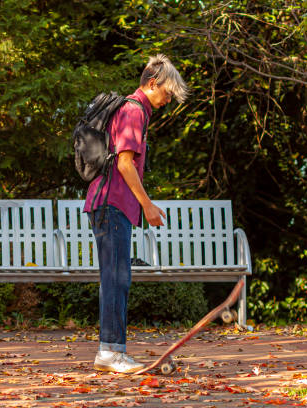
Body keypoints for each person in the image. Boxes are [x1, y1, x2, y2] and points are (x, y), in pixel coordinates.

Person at [84, 54, 189, 373]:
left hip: (110, 204)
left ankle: (111, 350)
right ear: (152, 83)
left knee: (116, 277)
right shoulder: (133, 110)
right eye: (168, 92)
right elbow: (125, 163)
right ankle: (111, 352)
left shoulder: (135, 109)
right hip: (111, 202)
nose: (168, 99)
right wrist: (148, 205)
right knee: (116, 278)